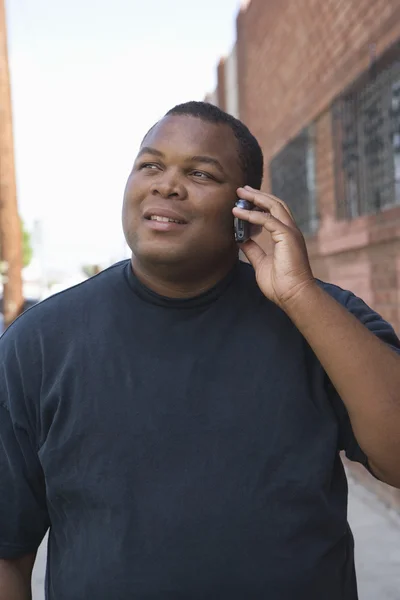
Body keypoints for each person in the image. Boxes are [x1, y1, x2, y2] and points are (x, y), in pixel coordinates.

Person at [0, 101, 399, 600]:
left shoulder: (321, 317)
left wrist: (300, 296)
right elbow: (7, 554)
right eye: (150, 165)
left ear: (246, 206)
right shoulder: (38, 343)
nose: (166, 184)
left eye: (201, 173)